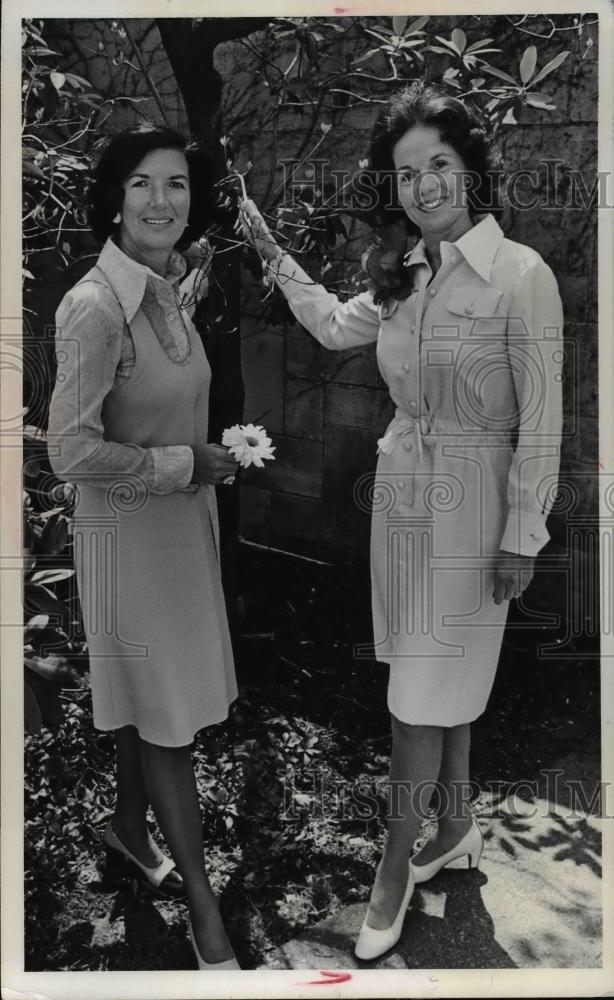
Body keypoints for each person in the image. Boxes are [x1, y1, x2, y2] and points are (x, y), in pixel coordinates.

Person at [239, 81, 563, 961]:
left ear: (471, 171)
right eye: (407, 173)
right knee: (433, 679)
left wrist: (521, 535)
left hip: (476, 506)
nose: (423, 187)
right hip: (404, 498)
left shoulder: (520, 277)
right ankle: (454, 829)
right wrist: (268, 249)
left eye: (440, 166)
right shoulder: (405, 274)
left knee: (418, 695)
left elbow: (543, 420)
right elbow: (330, 326)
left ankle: (391, 870)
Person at [47, 123, 241, 970]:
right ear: (114, 199)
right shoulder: (93, 306)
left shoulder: (169, 287)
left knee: (146, 698)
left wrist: (206, 461)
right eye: (141, 184)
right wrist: (180, 462)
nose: (161, 201)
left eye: (175, 185)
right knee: (169, 721)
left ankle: (130, 829)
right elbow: (67, 448)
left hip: (179, 529)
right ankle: (204, 907)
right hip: (127, 535)